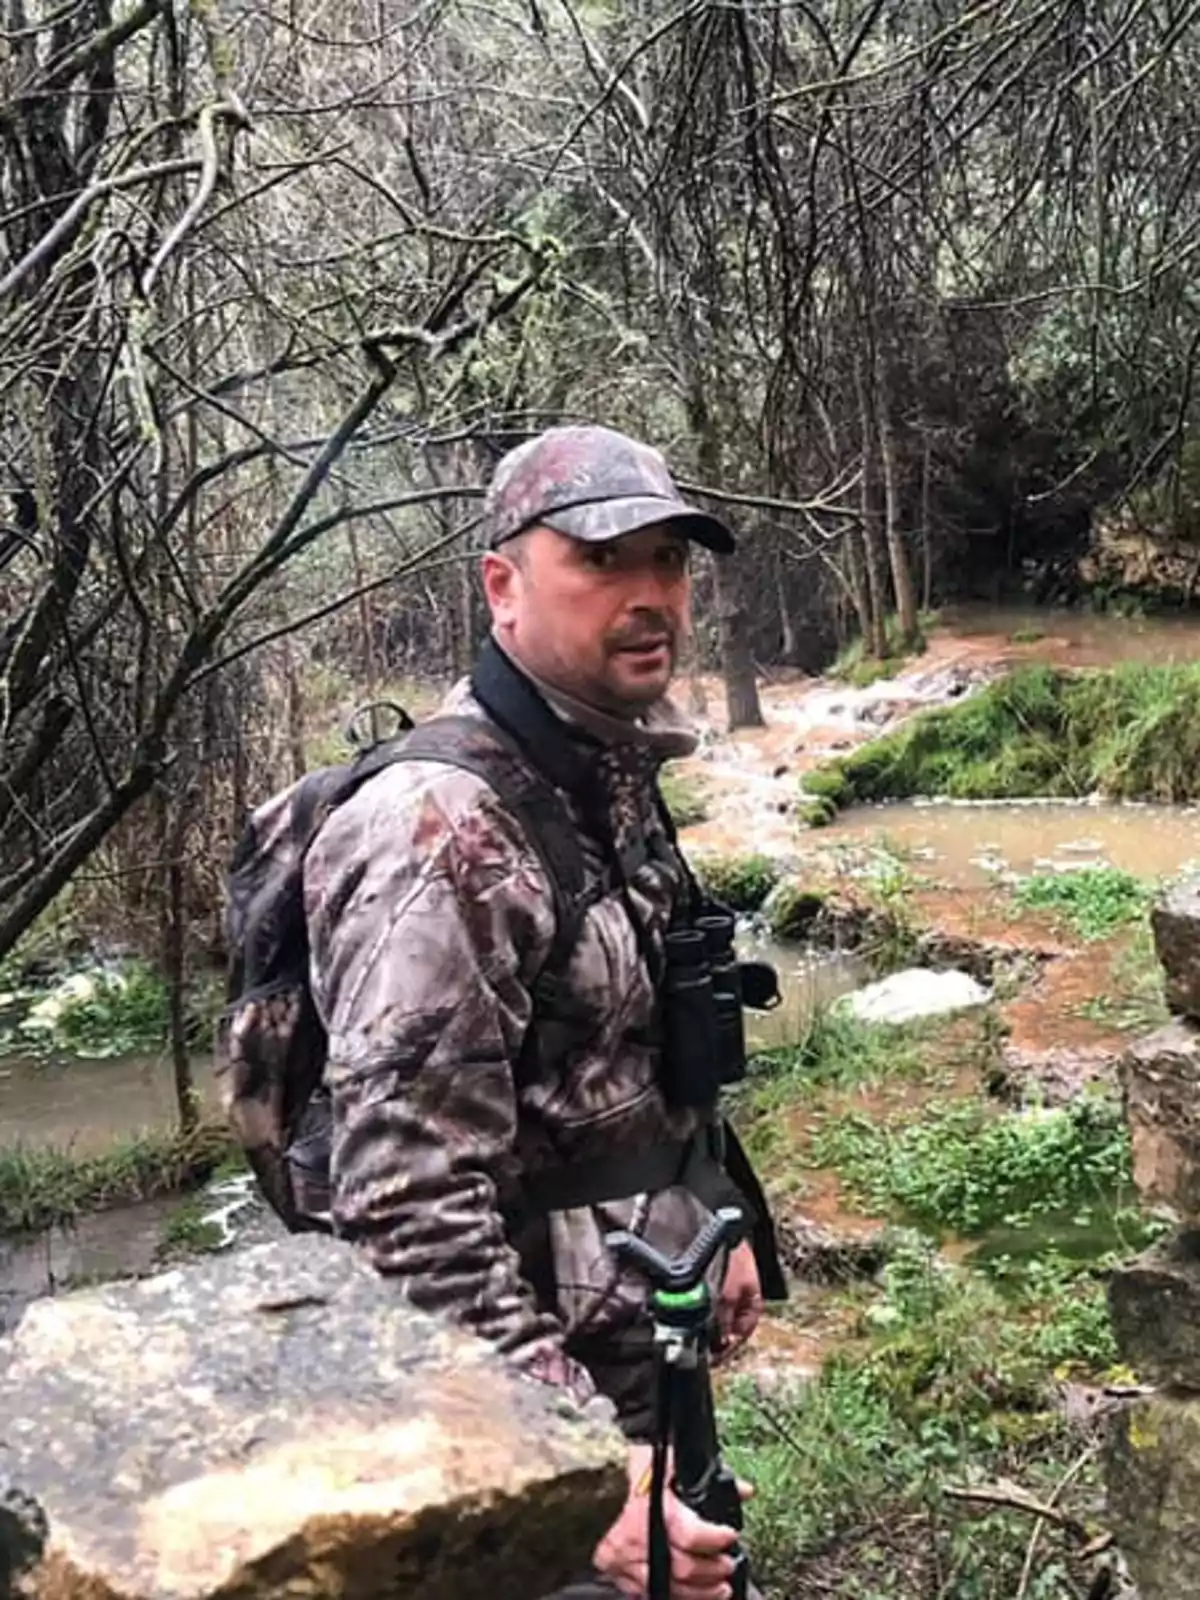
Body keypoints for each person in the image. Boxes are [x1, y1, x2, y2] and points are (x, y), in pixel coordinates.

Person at [302, 424, 780, 1599]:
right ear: (502, 585)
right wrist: (582, 1474)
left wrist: (708, 1205)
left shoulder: (601, 777)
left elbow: (619, 1058)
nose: (650, 596)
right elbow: (406, 1203)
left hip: (634, 1338)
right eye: (604, 561)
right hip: (512, 1415)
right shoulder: (442, 831)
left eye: (668, 561)